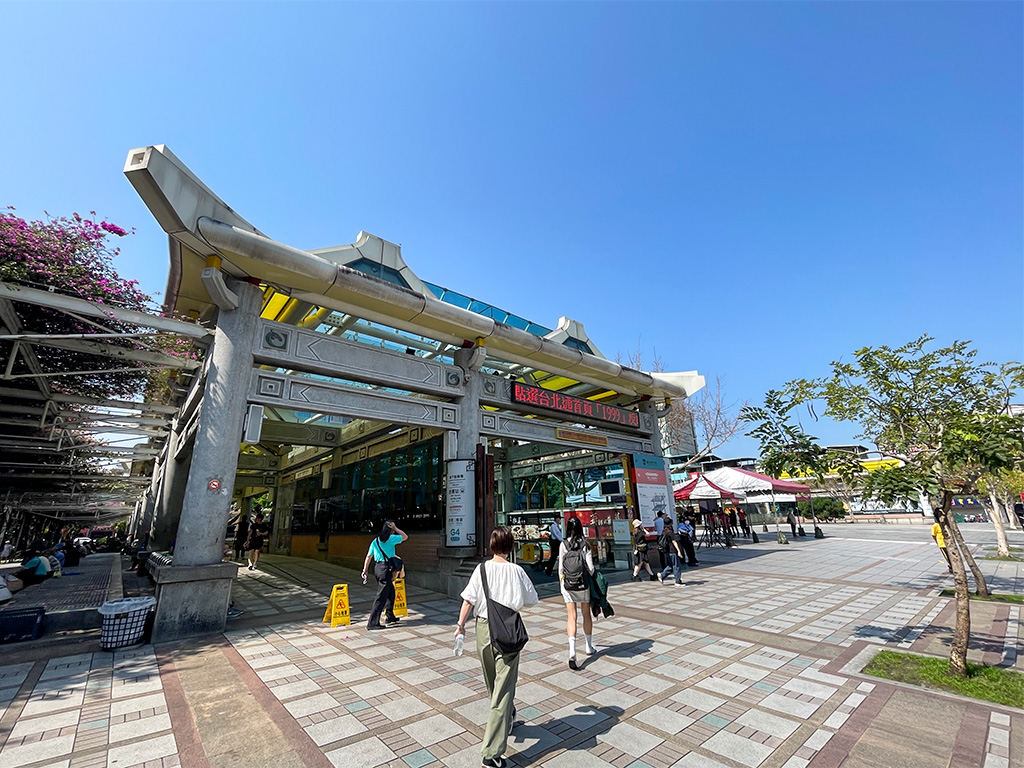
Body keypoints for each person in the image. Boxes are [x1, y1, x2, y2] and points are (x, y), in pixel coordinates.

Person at [455, 526, 538, 768]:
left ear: (492, 546)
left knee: (494, 683)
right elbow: (532, 600)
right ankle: (490, 755)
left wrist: (460, 625)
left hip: (483, 629)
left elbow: (468, 600)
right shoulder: (517, 571)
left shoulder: (481, 569)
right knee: (502, 690)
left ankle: (507, 714)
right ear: (510, 547)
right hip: (508, 630)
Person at [559, 516, 596, 670]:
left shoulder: (563, 544)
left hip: (567, 584)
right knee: (585, 614)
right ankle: (588, 646)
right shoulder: (585, 544)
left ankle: (572, 651)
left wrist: (562, 581)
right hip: (583, 584)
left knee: (571, 616)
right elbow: (591, 568)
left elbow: (561, 567)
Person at [362, 520, 408, 630]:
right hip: (386, 569)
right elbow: (405, 537)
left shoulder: (375, 541)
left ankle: (390, 616)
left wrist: (365, 570)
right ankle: (372, 623)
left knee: (391, 592)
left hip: (378, 569)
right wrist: (396, 528)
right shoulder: (391, 539)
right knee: (381, 597)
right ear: (391, 529)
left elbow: (369, 557)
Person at [658, 519, 685, 585]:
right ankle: (677, 581)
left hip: (667, 551)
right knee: (676, 566)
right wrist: (679, 551)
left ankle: (662, 575)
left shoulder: (664, 532)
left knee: (670, 566)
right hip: (672, 551)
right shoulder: (670, 532)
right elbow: (674, 542)